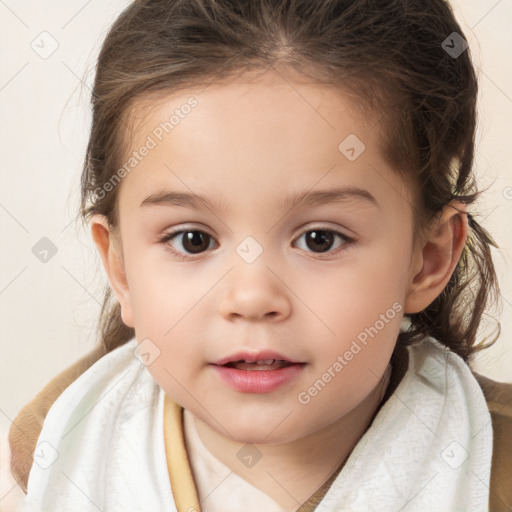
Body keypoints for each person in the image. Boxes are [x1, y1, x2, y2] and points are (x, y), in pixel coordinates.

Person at [7, 0, 512, 510]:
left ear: (426, 258)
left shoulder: (494, 469)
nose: (251, 298)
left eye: (320, 239)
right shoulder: (62, 441)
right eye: (192, 240)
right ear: (121, 268)